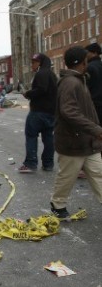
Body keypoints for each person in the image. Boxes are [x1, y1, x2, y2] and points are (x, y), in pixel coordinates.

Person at [49, 47, 102, 220]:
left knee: (98, 173)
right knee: (67, 176)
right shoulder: (70, 83)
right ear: (81, 62)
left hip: (88, 142)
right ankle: (58, 205)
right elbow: (69, 112)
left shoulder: (79, 80)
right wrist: (96, 129)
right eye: (86, 59)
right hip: (73, 142)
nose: (88, 62)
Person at [18, 53, 58, 173]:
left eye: (34, 62)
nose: (32, 65)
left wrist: (28, 94)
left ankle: (30, 163)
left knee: (31, 136)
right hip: (51, 112)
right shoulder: (52, 75)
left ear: (40, 63)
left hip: (38, 112)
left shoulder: (41, 74)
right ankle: (48, 163)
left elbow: (41, 90)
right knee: (48, 138)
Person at [85, 43, 102, 125]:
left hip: (94, 105)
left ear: (94, 53)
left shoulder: (89, 67)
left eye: (87, 52)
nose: (85, 55)